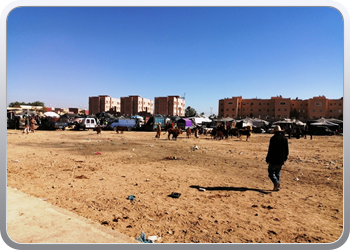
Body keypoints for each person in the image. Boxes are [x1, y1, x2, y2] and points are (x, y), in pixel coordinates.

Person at [266, 125, 289, 191]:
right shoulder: (285, 139)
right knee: (277, 173)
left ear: (275, 132)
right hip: (281, 159)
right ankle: (277, 187)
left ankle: (276, 183)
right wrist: (285, 158)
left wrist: (268, 158)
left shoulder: (273, 139)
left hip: (273, 159)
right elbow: (287, 150)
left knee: (271, 173)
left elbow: (270, 150)